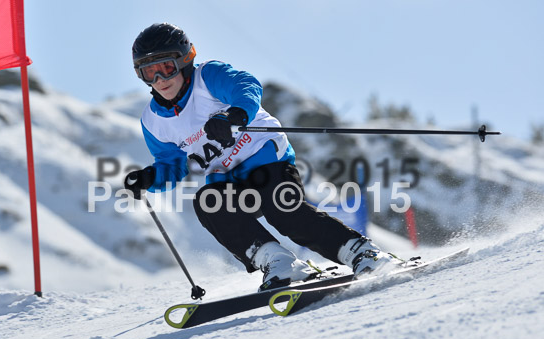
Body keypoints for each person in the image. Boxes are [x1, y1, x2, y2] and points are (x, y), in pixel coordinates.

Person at [124, 23, 402, 291]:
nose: (160, 80)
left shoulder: (208, 77)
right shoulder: (153, 121)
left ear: (185, 60)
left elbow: (245, 85)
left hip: (267, 160)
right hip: (228, 179)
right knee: (208, 204)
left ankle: (363, 253)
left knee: (282, 209)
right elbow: (171, 166)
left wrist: (234, 114)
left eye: (166, 68)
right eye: (150, 73)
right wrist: (150, 178)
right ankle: (279, 262)